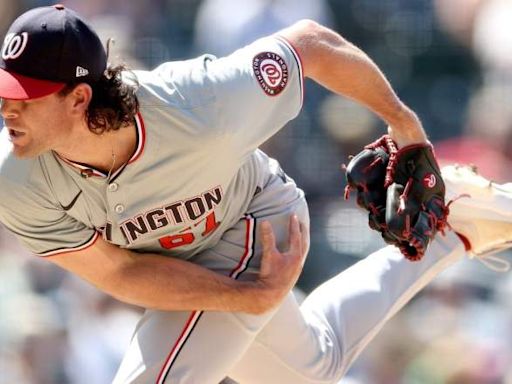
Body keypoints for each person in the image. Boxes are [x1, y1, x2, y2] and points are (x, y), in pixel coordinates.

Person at [0, 5, 511, 384]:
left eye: (22, 96)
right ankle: (453, 225)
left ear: (79, 98)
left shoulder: (199, 103)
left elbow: (309, 44)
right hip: (175, 264)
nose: (7, 107)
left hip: (251, 223)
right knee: (313, 367)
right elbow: (120, 273)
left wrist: (405, 124)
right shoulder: (15, 178)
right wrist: (242, 299)